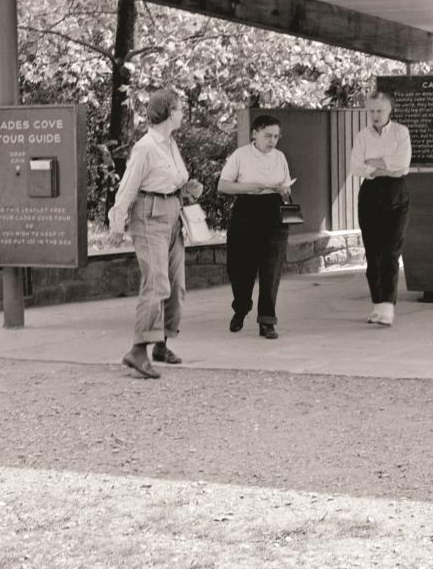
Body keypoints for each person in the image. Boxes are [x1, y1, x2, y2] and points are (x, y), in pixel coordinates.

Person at [108, 88, 202, 379]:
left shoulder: (170, 143)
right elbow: (128, 187)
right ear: (168, 112)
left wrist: (186, 189)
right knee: (157, 284)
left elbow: (170, 179)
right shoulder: (146, 147)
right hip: (149, 216)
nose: (182, 114)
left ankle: (161, 343)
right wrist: (117, 223)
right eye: (179, 109)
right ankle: (137, 350)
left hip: (173, 213)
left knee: (176, 285)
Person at [218, 114, 295, 339]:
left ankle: (267, 321)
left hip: (274, 212)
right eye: (268, 135)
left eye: (276, 137)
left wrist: (284, 190)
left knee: (271, 270)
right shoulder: (240, 155)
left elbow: (287, 187)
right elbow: (223, 186)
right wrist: (250, 186)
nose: (272, 141)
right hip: (247, 210)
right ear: (254, 133)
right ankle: (241, 308)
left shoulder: (280, 157)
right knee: (240, 269)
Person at [349, 90, 412, 326]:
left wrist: (373, 163)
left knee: (391, 251)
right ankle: (378, 304)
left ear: (389, 110)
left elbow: (402, 165)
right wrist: (386, 165)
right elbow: (356, 167)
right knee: (373, 253)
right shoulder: (362, 136)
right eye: (372, 110)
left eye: (380, 110)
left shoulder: (400, 132)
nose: (375, 115)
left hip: (396, 193)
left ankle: (388, 305)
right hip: (370, 194)